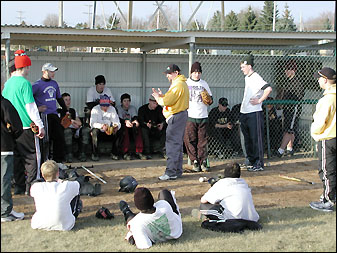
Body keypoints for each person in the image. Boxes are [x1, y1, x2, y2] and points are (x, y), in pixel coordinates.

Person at [2, 50, 45, 196]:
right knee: (33, 158)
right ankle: (32, 187)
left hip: (12, 127)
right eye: (28, 67)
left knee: (17, 158)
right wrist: (40, 125)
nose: (29, 70)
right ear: (25, 67)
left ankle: (20, 186)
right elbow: (30, 107)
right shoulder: (25, 84)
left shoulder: (7, 84)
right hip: (26, 126)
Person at [152, 64, 189, 180]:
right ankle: (176, 171)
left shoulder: (178, 84)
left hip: (176, 116)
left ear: (176, 73)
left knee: (172, 145)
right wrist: (162, 95)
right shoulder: (179, 83)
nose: (167, 75)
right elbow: (170, 97)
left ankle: (171, 172)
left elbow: (167, 101)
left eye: (170, 73)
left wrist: (158, 98)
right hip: (179, 115)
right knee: (176, 144)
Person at [309, 67, 336, 212]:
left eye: (319, 78)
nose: (318, 80)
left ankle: (328, 200)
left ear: (325, 80)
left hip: (328, 138)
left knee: (326, 171)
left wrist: (316, 136)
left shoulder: (327, 99)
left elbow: (320, 123)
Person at [239, 54, 272, 172]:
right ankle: (250, 160)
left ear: (249, 66)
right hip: (245, 111)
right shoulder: (247, 77)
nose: (242, 69)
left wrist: (259, 100)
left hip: (254, 112)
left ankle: (259, 162)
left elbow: (268, 89)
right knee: (247, 138)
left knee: (255, 138)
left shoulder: (256, 77)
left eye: (243, 66)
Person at [30, 160, 82, 231]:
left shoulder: (36, 187)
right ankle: (73, 213)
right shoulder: (66, 186)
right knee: (74, 193)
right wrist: (62, 181)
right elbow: (77, 185)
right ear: (58, 173)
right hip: (65, 225)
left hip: (38, 223)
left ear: (42, 174)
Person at [32, 62, 67, 163]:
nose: (53, 73)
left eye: (53, 71)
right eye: (51, 71)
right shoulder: (37, 85)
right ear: (44, 72)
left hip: (54, 113)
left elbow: (58, 97)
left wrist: (65, 110)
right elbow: (29, 98)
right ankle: (45, 161)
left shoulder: (54, 83)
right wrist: (37, 108)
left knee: (59, 137)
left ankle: (58, 161)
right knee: (46, 139)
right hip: (45, 115)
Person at [1, 87, 25, 222]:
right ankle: (5, 212)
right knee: (4, 179)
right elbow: (17, 125)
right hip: (3, 146)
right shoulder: (4, 103)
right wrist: (12, 137)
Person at [184, 62, 212, 172]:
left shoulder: (204, 84)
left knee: (202, 141)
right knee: (190, 140)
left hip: (203, 115)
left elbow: (210, 99)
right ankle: (194, 161)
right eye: (195, 72)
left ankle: (203, 161)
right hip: (190, 115)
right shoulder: (186, 83)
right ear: (191, 73)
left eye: (199, 72)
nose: (197, 74)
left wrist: (209, 99)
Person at [275, 60, 304, 157]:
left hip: (293, 109)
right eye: (286, 70)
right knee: (289, 128)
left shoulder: (298, 82)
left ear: (293, 71)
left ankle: (281, 150)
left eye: (288, 70)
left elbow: (299, 96)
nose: (286, 72)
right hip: (287, 108)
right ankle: (290, 148)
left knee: (289, 129)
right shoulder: (288, 82)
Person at [57, 92, 91, 163]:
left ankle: (82, 153)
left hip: (75, 130)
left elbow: (79, 123)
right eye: (66, 100)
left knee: (85, 130)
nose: (68, 102)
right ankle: (69, 154)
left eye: (69, 99)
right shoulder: (59, 111)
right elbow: (62, 123)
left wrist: (72, 121)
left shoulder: (73, 111)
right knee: (67, 131)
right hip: (65, 130)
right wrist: (71, 122)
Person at [89, 94, 122, 161]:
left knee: (119, 132)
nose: (105, 108)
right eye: (103, 106)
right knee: (94, 132)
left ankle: (114, 153)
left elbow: (117, 121)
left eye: (107, 106)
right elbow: (92, 123)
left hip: (110, 131)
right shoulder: (95, 109)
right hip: (100, 131)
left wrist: (116, 127)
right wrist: (101, 126)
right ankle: (95, 153)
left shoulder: (112, 109)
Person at [116, 93, 144, 160]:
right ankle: (125, 152)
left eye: (128, 101)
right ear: (121, 102)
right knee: (124, 130)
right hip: (123, 126)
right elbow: (119, 119)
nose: (127, 103)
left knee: (138, 128)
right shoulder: (118, 108)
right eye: (125, 101)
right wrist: (125, 122)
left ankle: (139, 151)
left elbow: (134, 116)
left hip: (131, 126)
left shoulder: (132, 108)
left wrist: (135, 121)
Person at [137, 95, 166, 159]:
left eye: (156, 104)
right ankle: (147, 152)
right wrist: (146, 124)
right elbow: (140, 120)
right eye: (154, 103)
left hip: (156, 129)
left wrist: (162, 124)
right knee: (144, 131)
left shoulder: (159, 109)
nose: (155, 105)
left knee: (164, 131)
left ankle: (163, 151)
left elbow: (163, 119)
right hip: (147, 129)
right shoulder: (142, 109)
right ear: (149, 101)